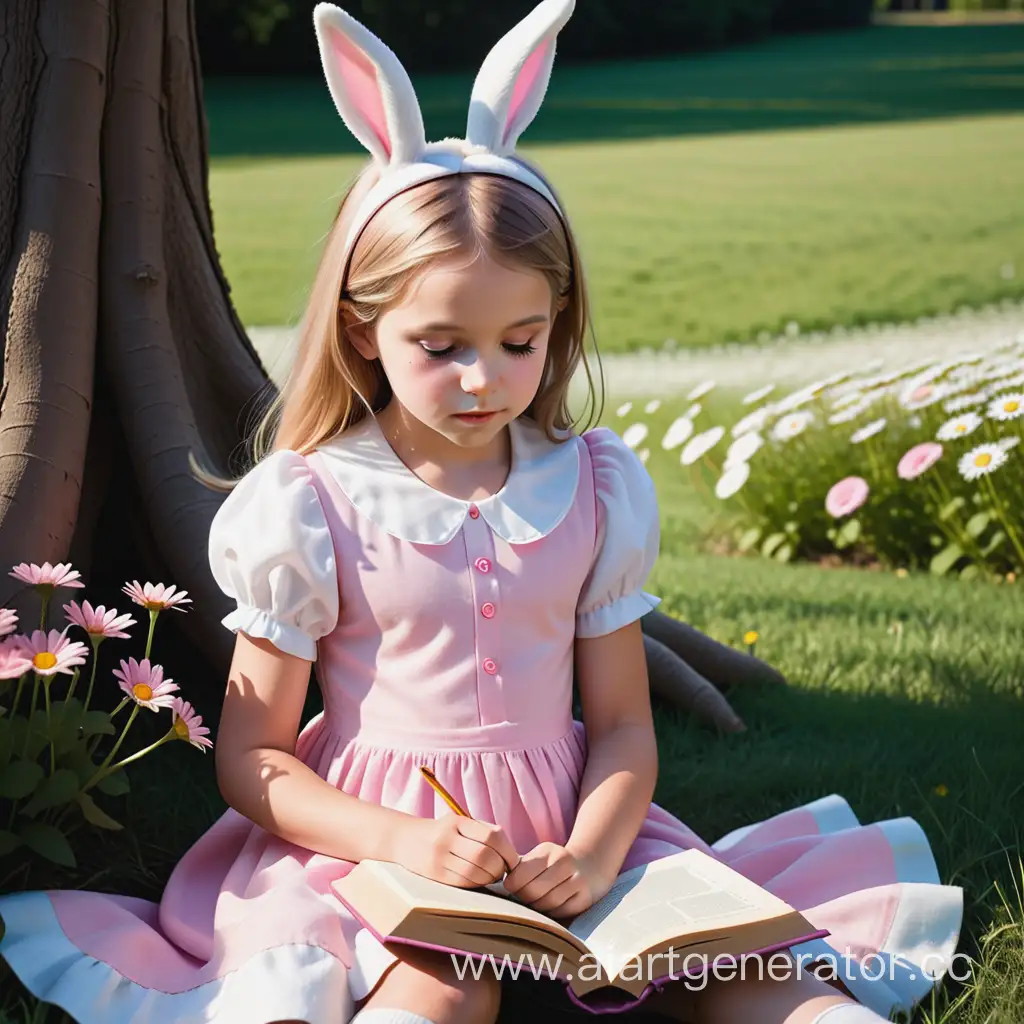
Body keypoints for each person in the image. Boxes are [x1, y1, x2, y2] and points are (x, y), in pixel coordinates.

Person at [0, 2, 963, 1023]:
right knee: (441, 989)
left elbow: (626, 724)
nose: (482, 378)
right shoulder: (313, 501)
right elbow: (251, 758)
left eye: (519, 339)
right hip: (372, 853)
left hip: (575, 842)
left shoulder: (591, 485)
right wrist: (408, 842)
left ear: (557, 323)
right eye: (441, 343)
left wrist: (593, 854)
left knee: (758, 975)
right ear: (364, 331)